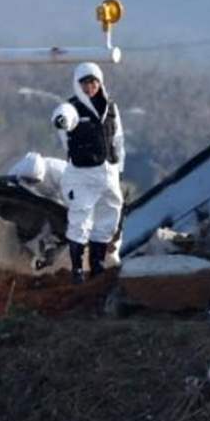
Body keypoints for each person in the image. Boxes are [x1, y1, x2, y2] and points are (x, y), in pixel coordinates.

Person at [54, 61, 125, 283]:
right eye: (84, 83)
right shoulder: (72, 107)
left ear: (100, 82)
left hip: (108, 172)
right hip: (83, 173)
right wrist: (62, 120)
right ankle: (77, 271)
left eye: (93, 82)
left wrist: (118, 165)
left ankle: (97, 267)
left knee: (108, 219)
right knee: (80, 220)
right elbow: (63, 120)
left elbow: (118, 138)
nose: (89, 87)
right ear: (77, 85)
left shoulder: (111, 107)